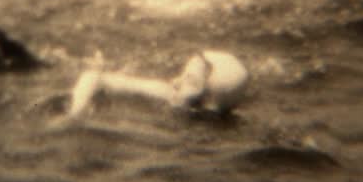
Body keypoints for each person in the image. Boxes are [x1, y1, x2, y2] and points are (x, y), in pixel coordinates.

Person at [67, 50, 249, 118]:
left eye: (190, 81)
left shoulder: (174, 100)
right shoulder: (164, 93)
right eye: (183, 75)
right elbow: (93, 77)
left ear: (211, 101)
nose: (176, 82)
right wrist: (76, 113)